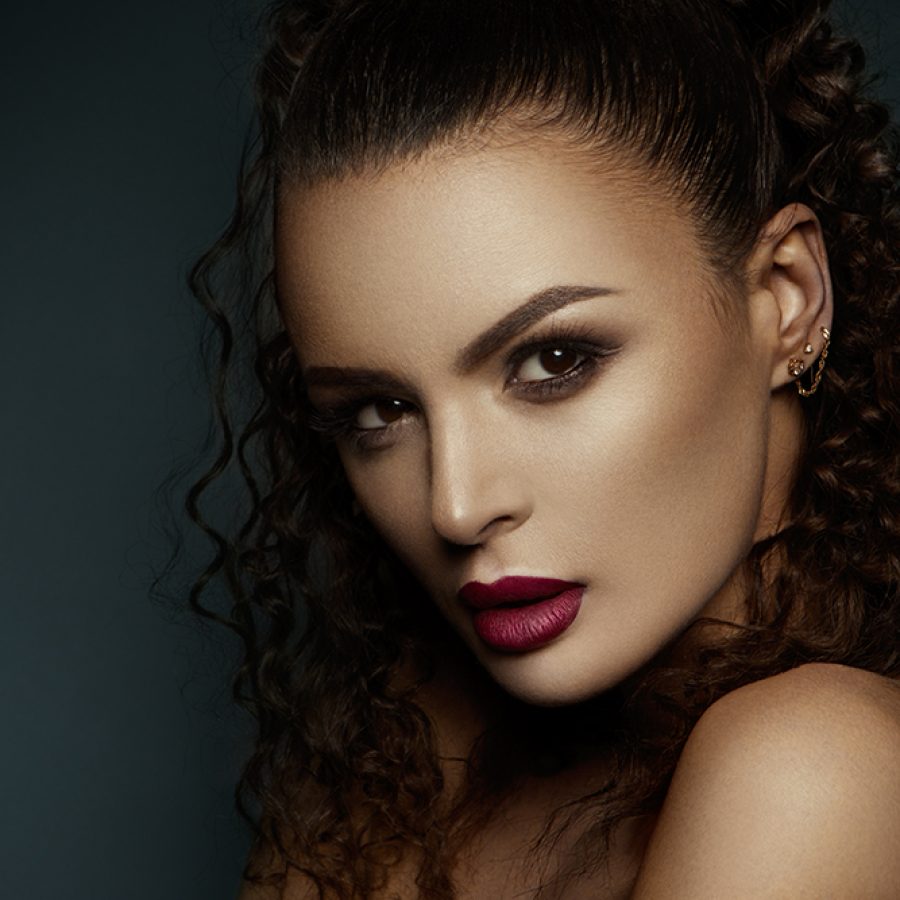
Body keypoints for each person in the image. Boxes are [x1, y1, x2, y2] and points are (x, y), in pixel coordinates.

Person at [186, 0, 900, 896]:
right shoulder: (412, 748)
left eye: (554, 360)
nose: (455, 504)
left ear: (785, 297)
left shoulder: (815, 764)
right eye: (379, 410)